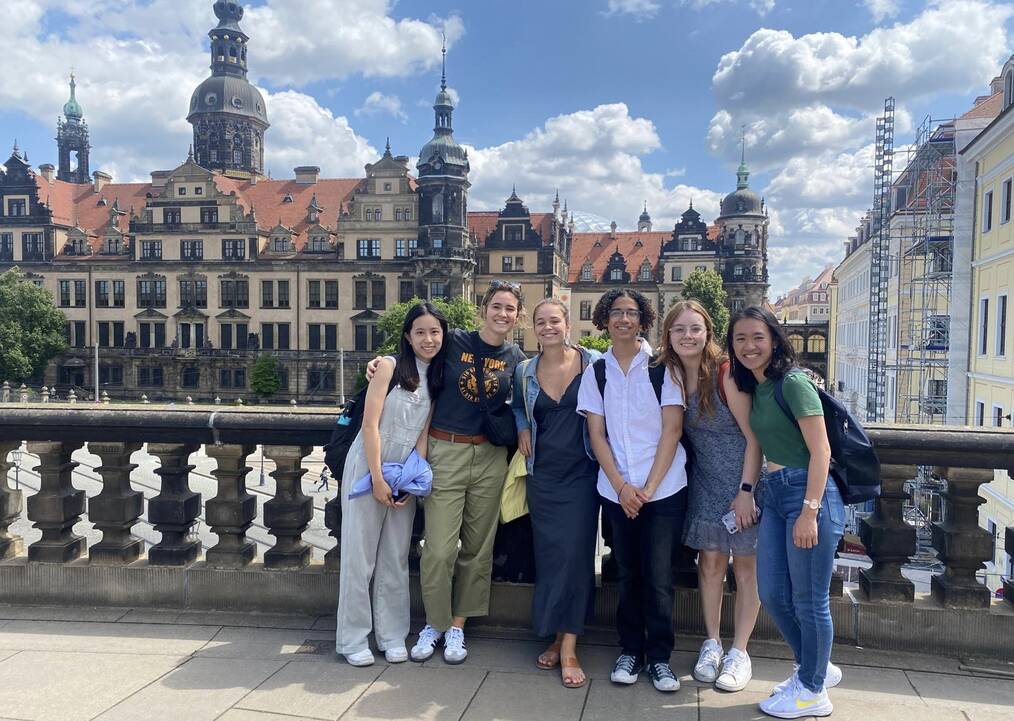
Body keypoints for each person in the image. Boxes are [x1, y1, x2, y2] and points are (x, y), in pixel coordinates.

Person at [727, 306, 845, 719]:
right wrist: (747, 490)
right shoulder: (757, 389)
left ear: (774, 339)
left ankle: (813, 690)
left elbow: (822, 451)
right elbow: (757, 443)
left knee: (810, 601)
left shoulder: (793, 383)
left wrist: (810, 512)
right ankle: (816, 667)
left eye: (757, 337)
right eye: (740, 339)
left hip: (806, 494)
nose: (748, 346)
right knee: (773, 593)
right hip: (773, 494)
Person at [401, 282, 527, 664]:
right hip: (446, 449)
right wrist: (380, 363)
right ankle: (434, 623)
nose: (503, 314)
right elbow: (415, 357)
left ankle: (457, 626)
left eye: (510, 309)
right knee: (438, 549)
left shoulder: (517, 356)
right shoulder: (454, 340)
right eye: (497, 306)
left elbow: (527, 402)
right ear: (483, 308)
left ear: (518, 315)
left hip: (490, 457)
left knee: (477, 549)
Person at [576, 288, 688, 693]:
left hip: (663, 488)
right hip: (617, 489)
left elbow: (672, 430)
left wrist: (647, 488)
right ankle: (629, 649)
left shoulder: (663, 367)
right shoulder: (597, 371)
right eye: (616, 313)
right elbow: (596, 434)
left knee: (658, 576)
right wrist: (623, 487)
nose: (624, 319)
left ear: (643, 320)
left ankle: (659, 658)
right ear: (605, 319)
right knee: (626, 574)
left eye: (632, 313)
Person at [657, 300, 762, 692]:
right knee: (711, 565)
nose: (688, 336)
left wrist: (746, 492)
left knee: (747, 569)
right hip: (704, 482)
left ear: (708, 333)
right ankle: (713, 642)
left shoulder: (725, 374)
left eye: (695, 329)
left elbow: (754, 439)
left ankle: (739, 651)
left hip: (743, 483)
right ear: (668, 335)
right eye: (680, 329)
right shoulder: (668, 375)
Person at [335, 302, 448, 667]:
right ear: (407, 337)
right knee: (359, 557)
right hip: (368, 467)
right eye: (420, 332)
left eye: (434, 332)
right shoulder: (388, 366)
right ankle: (353, 639)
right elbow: (370, 426)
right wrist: (379, 479)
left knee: (396, 556)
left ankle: (392, 634)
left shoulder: (438, 375)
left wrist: (409, 478)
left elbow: (422, 436)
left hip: (405, 474)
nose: (428, 339)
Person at [511, 297, 600, 689]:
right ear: (534, 328)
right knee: (550, 558)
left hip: (582, 473)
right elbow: (518, 407)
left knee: (577, 555)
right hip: (543, 476)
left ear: (567, 325)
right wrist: (523, 427)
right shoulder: (524, 370)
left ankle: (570, 646)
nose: (548, 327)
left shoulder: (594, 362)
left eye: (554, 321)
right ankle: (555, 635)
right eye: (540, 322)